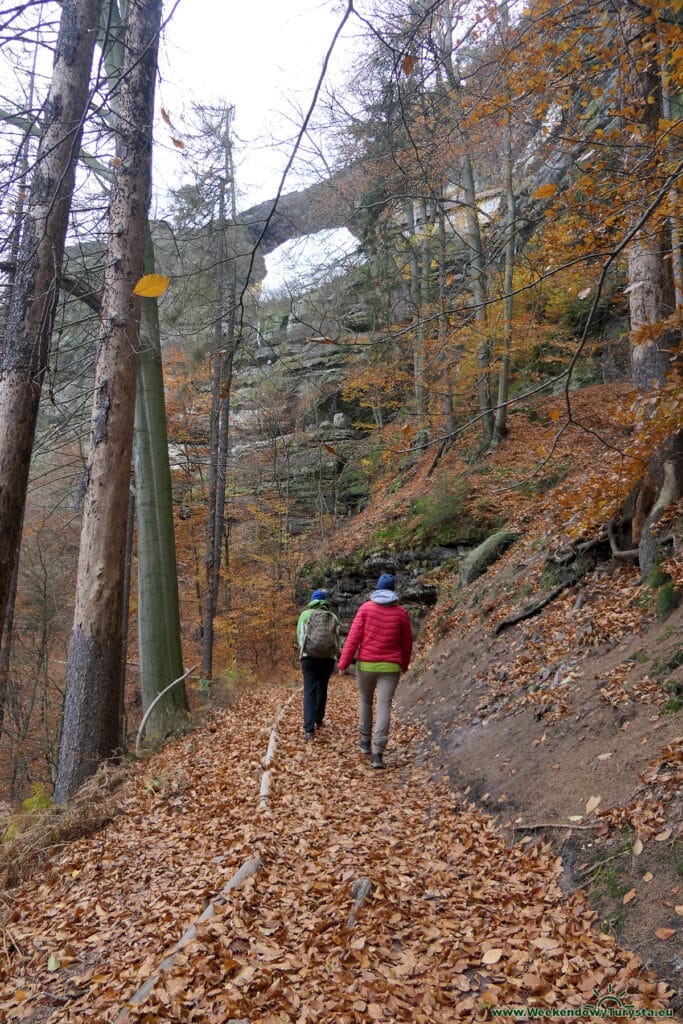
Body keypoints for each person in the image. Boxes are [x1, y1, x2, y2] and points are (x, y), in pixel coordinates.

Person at [337, 573, 413, 769]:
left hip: (367, 665)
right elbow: (407, 644)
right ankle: (378, 753)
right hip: (391, 666)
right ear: (393, 590)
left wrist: (343, 664)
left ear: (377, 588)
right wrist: (403, 664)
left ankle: (364, 742)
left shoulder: (365, 608)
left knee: (365, 700)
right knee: (384, 706)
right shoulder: (401, 613)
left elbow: (353, 638)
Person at [296, 589, 340, 741]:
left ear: (312, 601)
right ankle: (318, 719)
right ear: (325, 602)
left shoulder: (305, 615)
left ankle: (308, 729)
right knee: (322, 687)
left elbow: (300, 637)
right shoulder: (333, 617)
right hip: (327, 658)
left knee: (310, 690)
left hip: (309, 658)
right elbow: (336, 639)